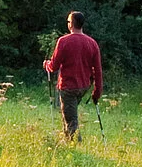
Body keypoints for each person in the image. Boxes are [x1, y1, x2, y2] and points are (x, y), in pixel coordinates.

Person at [43, 10, 104, 142]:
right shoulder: (92, 43)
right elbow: (98, 70)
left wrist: (46, 65)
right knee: (69, 115)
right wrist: (97, 92)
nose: (68, 24)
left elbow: (53, 66)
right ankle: (68, 142)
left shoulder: (63, 41)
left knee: (71, 121)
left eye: (69, 21)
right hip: (83, 86)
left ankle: (76, 147)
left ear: (72, 24)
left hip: (68, 87)